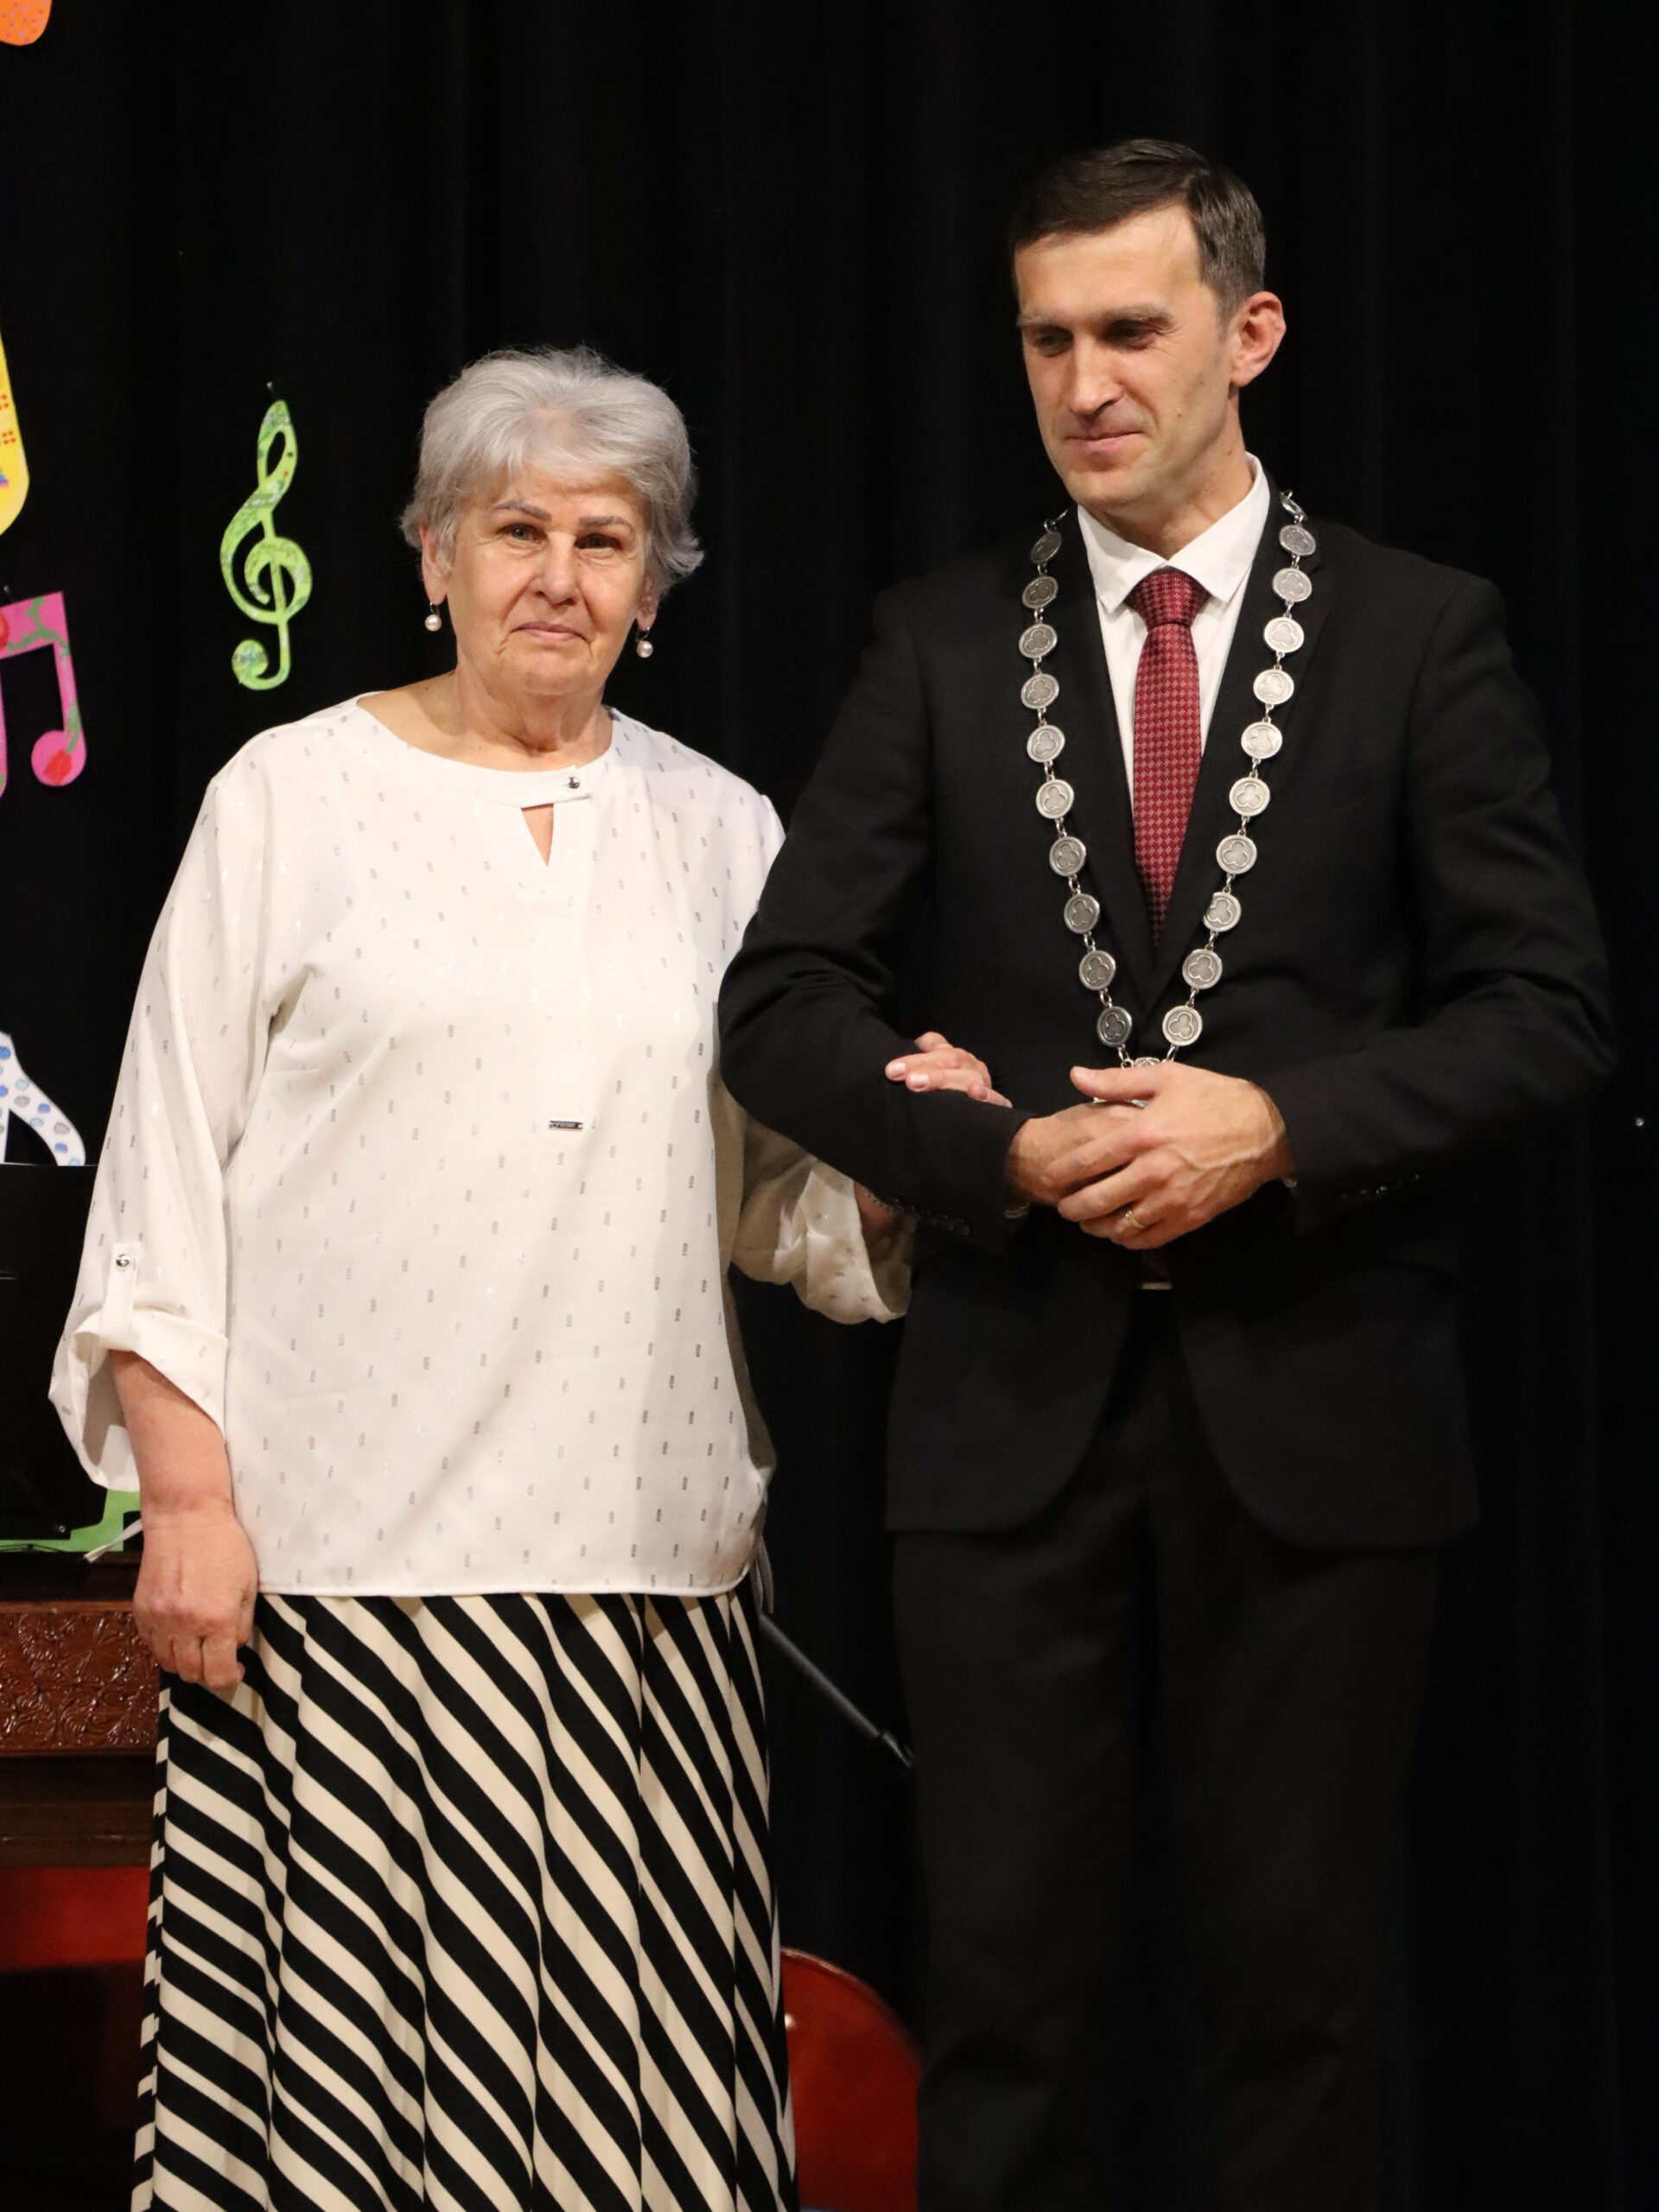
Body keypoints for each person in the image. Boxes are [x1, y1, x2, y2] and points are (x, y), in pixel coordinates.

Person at [717, 141, 1613, 2211]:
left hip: (1321, 1413)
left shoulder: (1419, 631)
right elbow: (783, 1001)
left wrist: (1278, 1124)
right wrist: (996, 1150)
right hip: (1007, 1420)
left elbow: (1550, 1006)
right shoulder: (941, 639)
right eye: (1047, 339)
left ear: (1251, 332)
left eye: (1130, 329)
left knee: (1304, 2011)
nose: (1085, 380)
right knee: (1010, 2010)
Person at [51, 346, 993, 2212]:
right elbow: (161, 1171)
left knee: (626, 2142)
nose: (559, 574)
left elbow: (775, 1205)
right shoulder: (288, 796)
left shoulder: (726, 832)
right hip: (334, 1599)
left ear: (654, 586)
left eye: (605, 538)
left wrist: (905, 1167)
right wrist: (189, 1496)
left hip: (642, 1606)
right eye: (515, 530)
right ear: (433, 556)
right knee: (338, 2135)